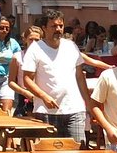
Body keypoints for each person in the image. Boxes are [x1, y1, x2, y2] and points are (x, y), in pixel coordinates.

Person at [20, 9, 90, 142]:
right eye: (54, 26)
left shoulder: (71, 46)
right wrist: (44, 97)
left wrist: (88, 103)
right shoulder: (35, 49)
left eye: (60, 26)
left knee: (77, 151)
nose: (58, 29)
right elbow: (27, 79)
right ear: (44, 28)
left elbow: (80, 77)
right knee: (49, 151)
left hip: (74, 109)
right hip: (46, 111)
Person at [8, 25, 42, 116]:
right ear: (25, 39)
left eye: (37, 40)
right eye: (31, 39)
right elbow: (11, 82)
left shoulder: (45, 57)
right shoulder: (17, 57)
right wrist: (24, 92)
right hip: (24, 97)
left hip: (41, 97)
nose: (34, 43)